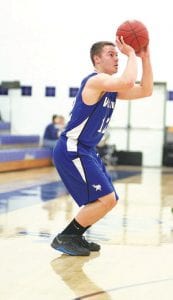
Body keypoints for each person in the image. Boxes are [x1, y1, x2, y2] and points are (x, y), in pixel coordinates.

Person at [51, 36, 153, 256]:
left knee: (110, 199)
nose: (117, 58)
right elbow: (127, 82)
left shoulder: (111, 89)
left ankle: (76, 235)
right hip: (73, 149)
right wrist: (132, 54)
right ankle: (67, 236)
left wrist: (145, 57)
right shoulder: (95, 81)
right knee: (105, 199)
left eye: (118, 54)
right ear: (97, 59)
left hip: (87, 150)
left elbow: (146, 90)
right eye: (111, 54)